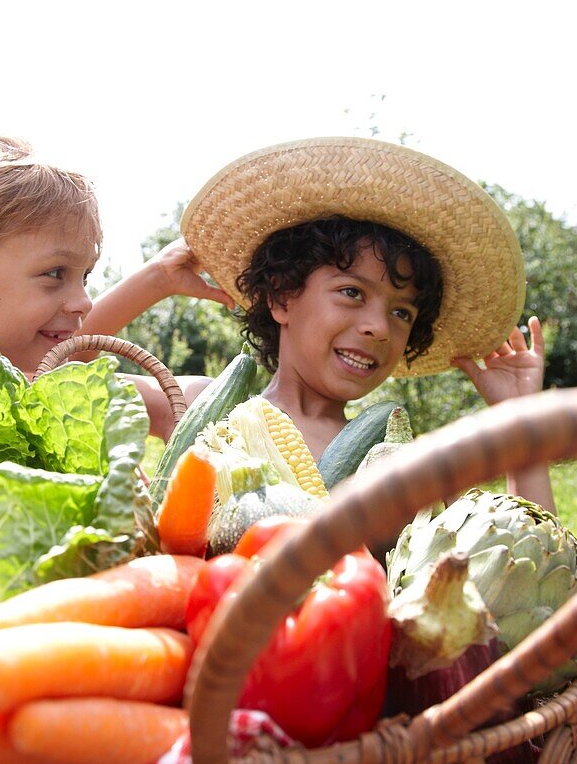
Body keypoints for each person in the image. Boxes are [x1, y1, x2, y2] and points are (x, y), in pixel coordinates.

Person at [179, 135, 556, 512]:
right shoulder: (205, 410)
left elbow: (528, 561)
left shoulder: (406, 464)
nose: (378, 327)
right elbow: (115, 383)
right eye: (352, 292)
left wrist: (520, 418)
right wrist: (152, 282)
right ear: (281, 296)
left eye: (401, 313)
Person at [0, 135, 231, 439]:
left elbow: (179, 395)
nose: (84, 302)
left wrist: (158, 278)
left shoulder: (35, 392)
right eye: (55, 273)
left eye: (86, 276)